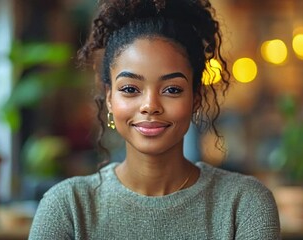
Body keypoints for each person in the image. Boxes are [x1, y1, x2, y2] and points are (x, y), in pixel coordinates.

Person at [29, 0, 280, 239]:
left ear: (196, 98)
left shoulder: (244, 204)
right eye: (130, 89)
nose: (150, 106)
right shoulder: (68, 207)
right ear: (108, 97)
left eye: (171, 89)